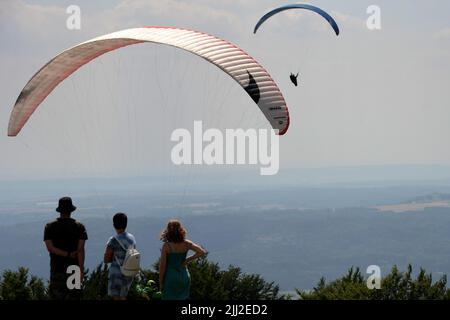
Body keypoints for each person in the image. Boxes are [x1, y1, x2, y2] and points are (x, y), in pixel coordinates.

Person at [44, 197, 87, 300]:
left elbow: (50, 248)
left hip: (57, 268)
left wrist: (66, 254)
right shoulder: (79, 227)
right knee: (74, 296)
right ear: (71, 210)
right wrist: (81, 270)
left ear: (59, 210)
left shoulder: (49, 226)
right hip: (74, 268)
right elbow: (81, 250)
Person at [159, 219, 206, 300]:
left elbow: (163, 266)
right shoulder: (186, 243)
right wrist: (188, 259)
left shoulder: (166, 246)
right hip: (183, 276)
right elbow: (201, 252)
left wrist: (160, 282)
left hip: (170, 277)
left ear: (168, 231)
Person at [103, 213, 137, 300]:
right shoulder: (131, 238)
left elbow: (106, 259)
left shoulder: (113, 240)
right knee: (123, 296)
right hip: (129, 271)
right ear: (126, 224)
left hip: (116, 272)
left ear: (114, 225)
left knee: (116, 297)